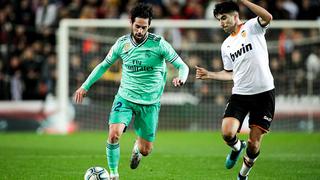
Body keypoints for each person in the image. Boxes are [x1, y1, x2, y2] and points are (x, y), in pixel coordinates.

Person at [74, 3, 189, 180]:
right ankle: (113, 174)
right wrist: (85, 86)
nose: (140, 31)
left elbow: (182, 66)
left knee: (146, 150)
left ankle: (138, 147)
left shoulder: (159, 44)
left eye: (144, 27)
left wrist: (182, 77)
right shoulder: (122, 44)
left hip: (150, 103)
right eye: (137, 26)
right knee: (114, 134)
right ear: (131, 23)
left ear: (149, 25)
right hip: (125, 98)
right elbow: (104, 65)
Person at [196, 1, 274, 180]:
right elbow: (230, 73)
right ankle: (238, 147)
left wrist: (245, 1)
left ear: (235, 15)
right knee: (227, 133)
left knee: (254, 145)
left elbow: (268, 17)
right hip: (240, 94)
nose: (221, 23)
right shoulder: (226, 45)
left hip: (264, 94)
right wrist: (210, 74)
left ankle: (242, 176)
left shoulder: (253, 26)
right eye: (219, 20)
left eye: (223, 18)